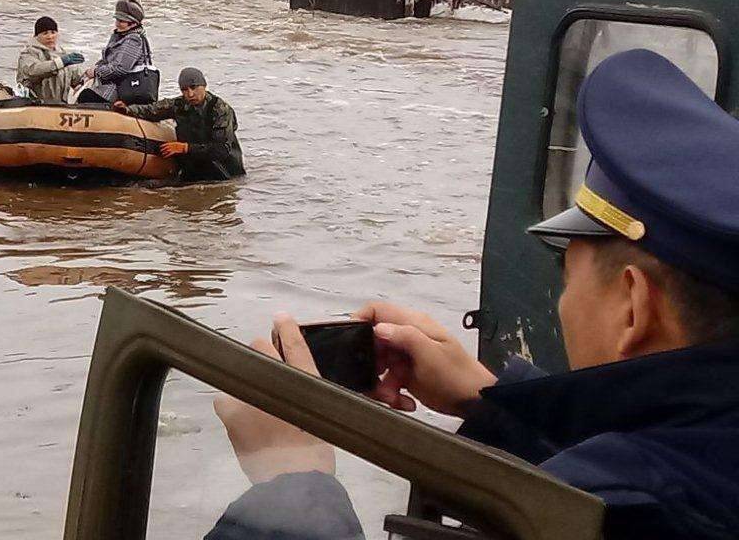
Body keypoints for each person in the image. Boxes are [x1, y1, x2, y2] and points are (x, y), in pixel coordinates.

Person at [207, 49, 739, 540]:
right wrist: (489, 405)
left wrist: (291, 480)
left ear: (633, 306)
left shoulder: (625, 512)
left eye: (567, 272)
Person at [113, 67, 245, 181]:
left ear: (204, 85)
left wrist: (184, 148)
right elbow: (151, 110)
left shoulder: (220, 109)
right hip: (196, 169)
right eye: (184, 90)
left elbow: (221, 150)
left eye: (193, 88)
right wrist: (128, 109)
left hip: (225, 172)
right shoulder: (179, 105)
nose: (190, 94)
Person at [77, 0, 156, 105]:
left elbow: (120, 68)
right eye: (117, 19)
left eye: (121, 21)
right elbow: (107, 60)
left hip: (124, 90)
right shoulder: (120, 36)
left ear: (133, 23)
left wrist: (96, 72)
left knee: (86, 96)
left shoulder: (134, 40)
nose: (117, 23)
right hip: (114, 86)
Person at [16, 16, 86, 103]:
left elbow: (77, 78)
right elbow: (33, 70)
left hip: (60, 106)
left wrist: (87, 77)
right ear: (37, 36)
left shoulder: (63, 53)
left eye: (53, 32)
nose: (50, 37)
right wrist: (60, 63)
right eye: (45, 33)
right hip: (34, 105)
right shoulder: (28, 53)